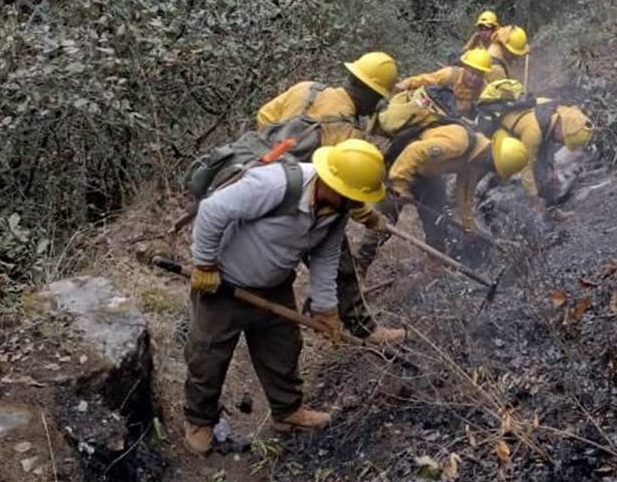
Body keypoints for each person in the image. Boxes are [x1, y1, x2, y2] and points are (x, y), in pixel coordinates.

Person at [183, 140, 387, 455]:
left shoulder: (338, 208)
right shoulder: (274, 185)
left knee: (284, 349)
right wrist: (206, 265)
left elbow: (325, 256)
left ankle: (288, 412)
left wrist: (326, 308)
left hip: (275, 287)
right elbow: (212, 211)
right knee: (208, 357)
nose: (352, 204)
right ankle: (199, 421)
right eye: (349, 196)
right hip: (222, 285)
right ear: (330, 181)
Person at [253, 52, 405, 345]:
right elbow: (350, 193)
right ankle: (364, 328)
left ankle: (316, 306)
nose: (377, 106)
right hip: (306, 199)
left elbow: (264, 117)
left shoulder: (306, 89)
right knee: (338, 259)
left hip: (263, 180)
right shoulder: (349, 133)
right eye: (378, 98)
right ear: (369, 94)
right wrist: (372, 218)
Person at [356, 86, 528, 270]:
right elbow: (414, 151)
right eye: (493, 167)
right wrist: (400, 186)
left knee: (437, 222)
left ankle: (434, 268)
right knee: (385, 221)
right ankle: (360, 266)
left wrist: (468, 225)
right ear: (492, 158)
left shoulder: (474, 159)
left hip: (428, 176)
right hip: (401, 168)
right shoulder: (459, 142)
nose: (489, 171)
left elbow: (465, 191)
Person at [491, 97, 593, 212]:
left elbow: (548, 144)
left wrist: (552, 169)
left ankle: (552, 211)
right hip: (500, 140)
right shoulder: (533, 132)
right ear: (560, 127)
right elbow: (525, 168)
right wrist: (534, 201)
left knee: (550, 179)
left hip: (526, 138)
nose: (561, 143)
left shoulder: (551, 111)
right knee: (532, 178)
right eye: (563, 140)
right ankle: (492, 197)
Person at [392, 48, 492, 117]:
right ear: (465, 68)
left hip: (454, 122)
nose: (474, 78)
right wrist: (407, 83)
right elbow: (426, 79)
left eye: (479, 75)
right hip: (432, 109)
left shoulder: (484, 90)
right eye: (472, 72)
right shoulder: (450, 74)